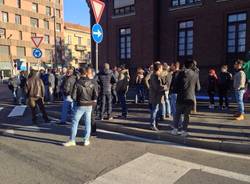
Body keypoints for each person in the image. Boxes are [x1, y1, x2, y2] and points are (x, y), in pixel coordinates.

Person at [63, 67, 98, 147]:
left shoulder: (77, 82)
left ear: (80, 74)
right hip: (89, 104)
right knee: (87, 122)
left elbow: (73, 96)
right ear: (86, 73)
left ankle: (72, 140)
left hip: (80, 105)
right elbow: (95, 94)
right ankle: (86, 140)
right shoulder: (92, 82)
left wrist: (77, 100)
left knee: (75, 122)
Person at [171, 59, 200, 136]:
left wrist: (177, 91)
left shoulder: (179, 74)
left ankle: (175, 129)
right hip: (190, 98)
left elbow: (175, 86)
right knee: (187, 116)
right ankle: (184, 130)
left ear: (185, 65)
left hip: (180, 97)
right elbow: (198, 88)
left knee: (177, 114)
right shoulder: (195, 75)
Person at [149, 62, 167, 131]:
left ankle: (155, 124)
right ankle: (152, 125)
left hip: (156, 96)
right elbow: (157, 87)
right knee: (154, 110)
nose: (162, 69)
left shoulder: (157, 75)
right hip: (155, 96)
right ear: (159, 68)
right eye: (161, 68)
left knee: (156, 110)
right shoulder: (154, 76)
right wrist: (165, 87)